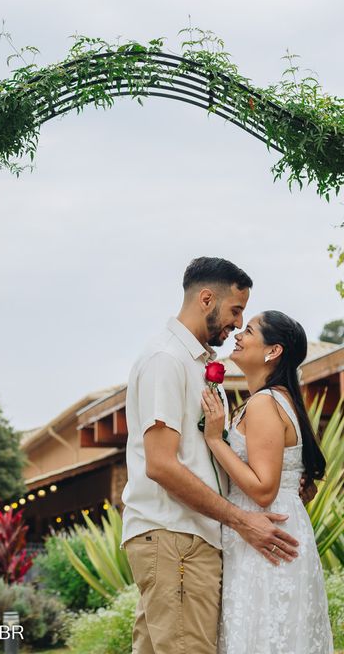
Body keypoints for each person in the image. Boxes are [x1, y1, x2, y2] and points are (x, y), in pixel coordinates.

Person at [121, 257, 300, 654]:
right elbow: (161, 465)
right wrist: (241, 520)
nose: (238, 323)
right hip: (177, 537)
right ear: (206, 299)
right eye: (235, 310)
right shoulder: (166, 359)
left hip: (181, 538)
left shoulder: (198, 364)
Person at [201, 310, 333, 653]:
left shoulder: (264, 403)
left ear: (273, 351)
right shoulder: (277, 400)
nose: (238, 335)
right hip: (272, 534)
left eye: (248, 330)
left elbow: (263, 489)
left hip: (265, 540)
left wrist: (215, 440)